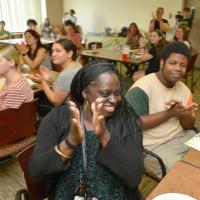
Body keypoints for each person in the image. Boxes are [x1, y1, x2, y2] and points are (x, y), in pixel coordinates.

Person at [29, 60, 144, 200]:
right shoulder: (58, 118)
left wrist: (104, 136)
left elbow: (133, 177)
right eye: (105, 93)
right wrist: (71, 142)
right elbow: (37, 172)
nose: (114, 100)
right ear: (85, 93)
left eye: (118, 93)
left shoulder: (127, 121)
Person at [126, 41, 198, 179]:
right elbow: (134, 124)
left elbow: (189, 126)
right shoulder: (141, 88)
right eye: (173, 63)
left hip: (183, 136)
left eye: (183, 65)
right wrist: (169, 113)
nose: (178, 68)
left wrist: (184, 114)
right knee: (187, 178)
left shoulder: (184, 89)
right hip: (153, 147)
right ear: (162, 63)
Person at [30, 39, 82, 106]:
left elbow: (56, 102)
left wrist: (43, 82)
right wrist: (49, 77)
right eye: (52, 51)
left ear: (70, 53)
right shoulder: (76, 65)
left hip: (69, 111)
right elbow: (66, 84)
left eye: (58, 51)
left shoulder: (66, 74)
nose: (53, 54)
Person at [0, 44, 33, 111]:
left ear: (11, 62)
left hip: (9, 120)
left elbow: (3, 114)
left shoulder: (15, 88)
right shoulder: (12, 79)